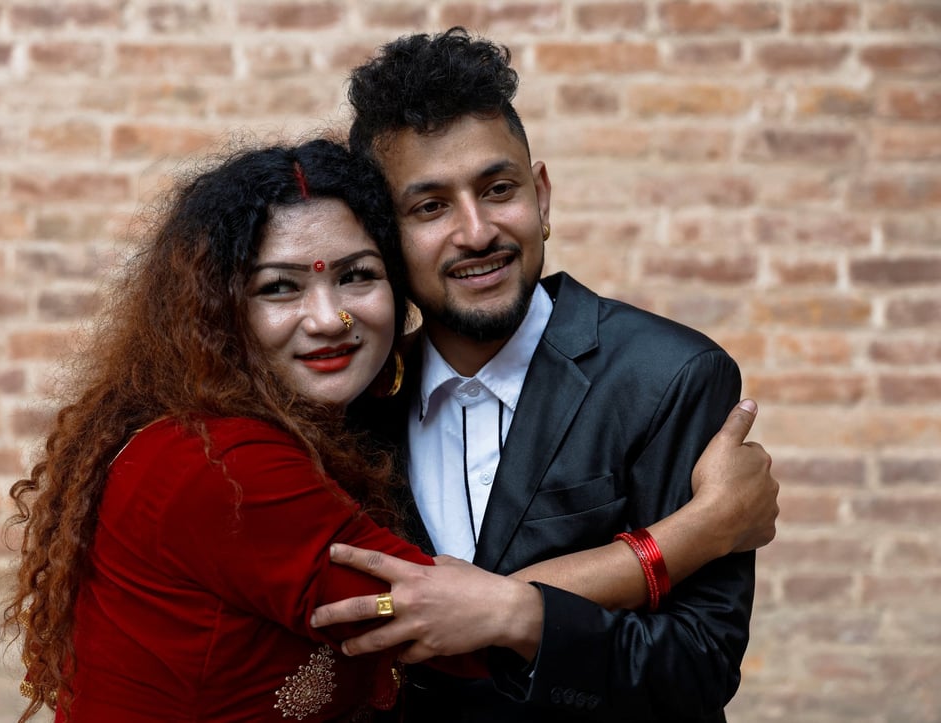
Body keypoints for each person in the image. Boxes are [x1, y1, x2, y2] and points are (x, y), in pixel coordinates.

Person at [0, 136, 770, 722]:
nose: (330, 316)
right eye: (280, 286)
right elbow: (451, 619)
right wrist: (697, 530)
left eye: (357, 275)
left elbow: (696, 659)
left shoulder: (326, 425)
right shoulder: (228, 468)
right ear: (216, 309)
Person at [310, 28, 778, 722]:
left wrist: (519, 615)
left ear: (543, 197)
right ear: (384, 236)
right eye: (431, 206)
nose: (477, 231)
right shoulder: (353, 399)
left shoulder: (672, 377)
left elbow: (697, 662)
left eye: (498, 189)